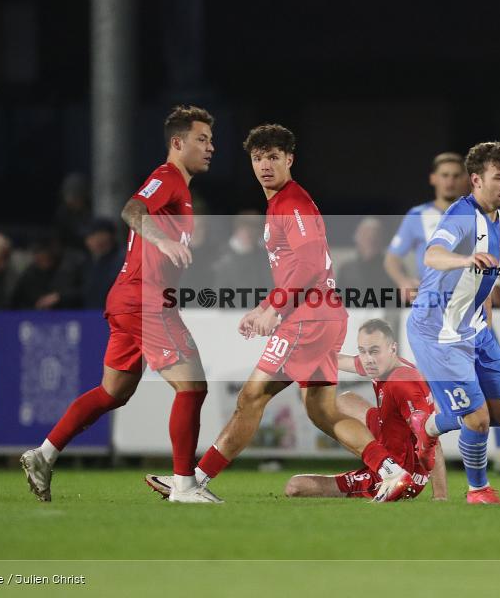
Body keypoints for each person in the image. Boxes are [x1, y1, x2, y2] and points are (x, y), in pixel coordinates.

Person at [149, 124, 412, 504]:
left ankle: (192, 481)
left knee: (251, 398)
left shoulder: (293, 202)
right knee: (322, 412)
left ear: (290, 159)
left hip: (309, 318)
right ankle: (391, 470)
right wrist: (263, 307)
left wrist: (275, 307)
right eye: (258, 158)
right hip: (319, 315)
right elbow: (295, 269)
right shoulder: (279, 204)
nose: (265, 165)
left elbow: (307, 265)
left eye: (273, 156)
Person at [21, 105, 217, 503]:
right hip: (145, 301)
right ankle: (183, 486)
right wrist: (161, 240)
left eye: (211, 140)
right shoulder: (167, 178)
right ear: (177, 143)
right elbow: (131, 210)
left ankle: (44, 454)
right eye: (202, 139)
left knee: (113, 392)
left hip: (130, 298)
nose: (211, 147)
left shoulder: (178, 186)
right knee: (193, 387)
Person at [407, 141, 500, 504]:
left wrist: (486, 322)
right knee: (477, 419)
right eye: (498, 177)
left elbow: (486, 278)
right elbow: (433, 254)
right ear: (475, 179)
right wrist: (464, 259)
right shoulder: (461, 214)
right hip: (437, 331)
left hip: (475, 329)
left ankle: (427, 424)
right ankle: (478, 489)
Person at [284, 319, 447, 500]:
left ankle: (387, 471)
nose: (368, 359)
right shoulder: (382, 364)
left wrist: (440, 496)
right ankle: (379, 458)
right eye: (363, 351)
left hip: (405, 471)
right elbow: (341, 361)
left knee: (295, 486)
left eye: (374, 351)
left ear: (392, 348)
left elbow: (431, 440)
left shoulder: (402, 382)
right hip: (392, 437)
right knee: (345, 400)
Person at [385, 152, 470, 301]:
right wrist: (403, 282)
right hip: (431, 299)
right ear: (433, 178)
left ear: (465, 180)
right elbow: (392, 258)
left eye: (456, 176)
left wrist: (496, 283)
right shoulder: (417, 215)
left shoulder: (476, 215)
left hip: (468, 297)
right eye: (445, 175)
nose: (450, 181)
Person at [9, 234, 83, 310]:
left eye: (46, 258)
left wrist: (59, 297)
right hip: (35, 316)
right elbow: (17, 299)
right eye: (39, 259)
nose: (43, 261)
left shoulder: (68, 268)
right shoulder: (30, 274)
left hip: (67, 313)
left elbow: (82, 291)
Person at [213, 210, 272, 293]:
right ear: (237, 228)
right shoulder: (220, 255)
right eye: (246, 226)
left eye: (255, 227)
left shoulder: (265, 256)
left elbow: (269, 285)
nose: (250, 232)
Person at [337, 217, 393, 298]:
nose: (371, 238)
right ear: (356, 238)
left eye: (376, 235)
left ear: (382, 239)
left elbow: (406, 302)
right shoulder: (346, 270)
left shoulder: (395, 269)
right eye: (365, 234)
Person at [80, 218, 125, 310]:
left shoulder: (122, 259)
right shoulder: (88, 261)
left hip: (114, 316)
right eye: (87, 237)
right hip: (92, 316)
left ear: (107, 236)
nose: (89, 241)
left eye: (93, 235)